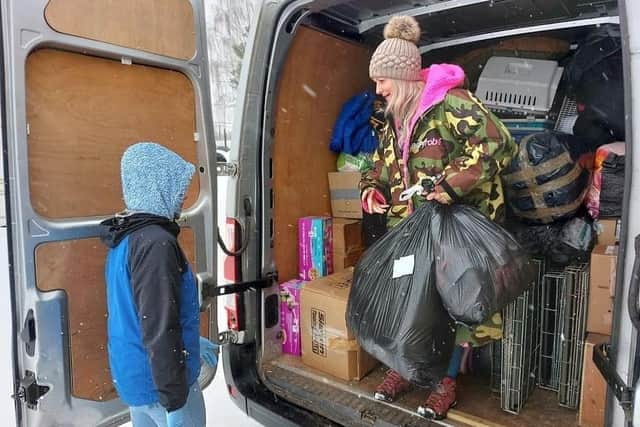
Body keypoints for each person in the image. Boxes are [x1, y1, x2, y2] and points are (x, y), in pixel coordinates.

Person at [360, 16, 516, 420]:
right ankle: (403, 369)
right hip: (408, 231)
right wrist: (371, 188)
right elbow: (378, 163)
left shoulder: (451, 104)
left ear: (403, 76)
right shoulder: (393, 116)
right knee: (407, 302)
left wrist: (450, 184)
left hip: (453, 234)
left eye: (382, 80)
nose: (378, 89)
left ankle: (445, 383)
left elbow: (499, 144)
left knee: (452, 308)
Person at [101, 142, 218, 427]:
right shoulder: (156, 244)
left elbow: (135, 313)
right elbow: (159, 325)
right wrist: (175, 400)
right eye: (177, 189)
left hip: (137, 378)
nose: (181, 199)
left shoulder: (125, 238)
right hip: (160, 386)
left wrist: (191, 341)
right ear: (157, 186)